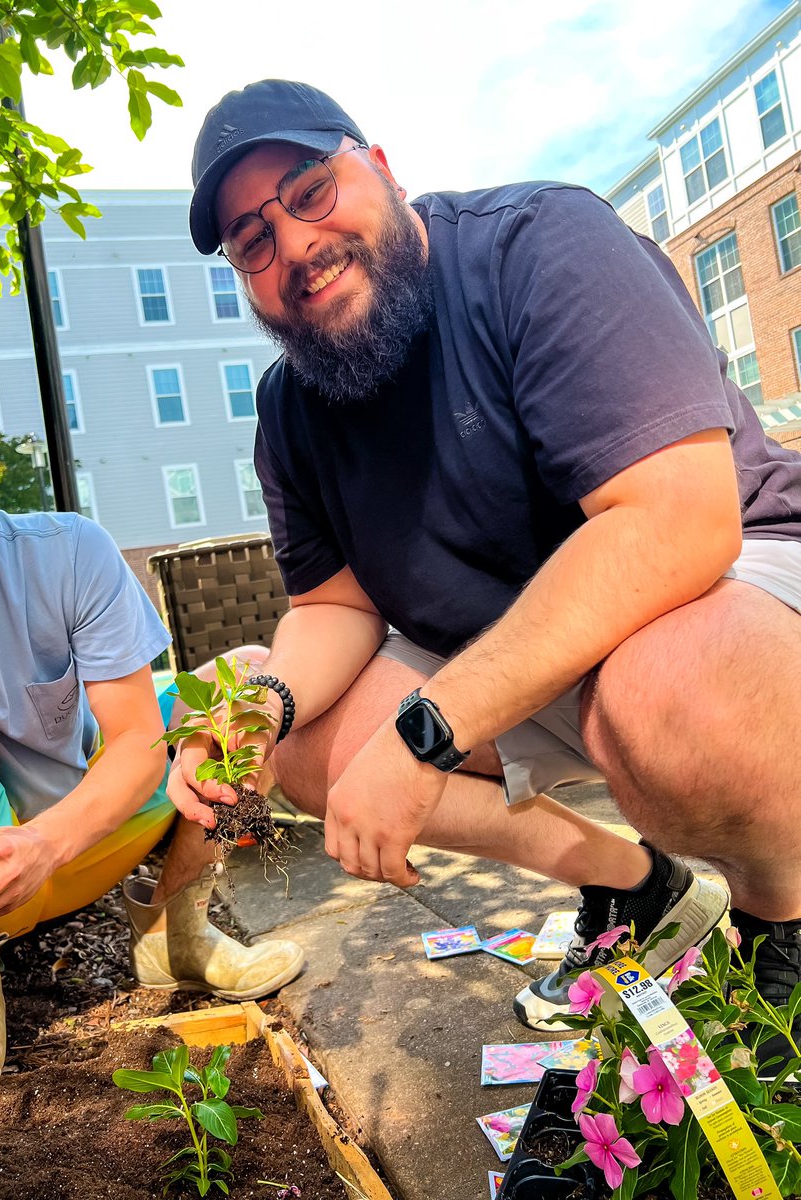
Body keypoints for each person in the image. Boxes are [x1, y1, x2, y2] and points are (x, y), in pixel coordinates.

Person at [171, 78, 801, 1076]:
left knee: (672, 699)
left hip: (723, 593)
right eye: (252, 240)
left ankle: (782, 919)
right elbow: (332, 607)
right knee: (296, 746)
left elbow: (676, 524)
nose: (291, 244)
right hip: (511, 656)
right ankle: (634, 886)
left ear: (378, 170)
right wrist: (259, 712)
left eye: (309, 190)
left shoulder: (539, 244)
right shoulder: (291, 409)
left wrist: (427, 732)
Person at [0, 370, 303, 1079]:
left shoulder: (66, 553)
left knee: (251, 681)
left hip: (93, 829)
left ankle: (178, 934)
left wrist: (41, 844)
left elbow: (132, 745)